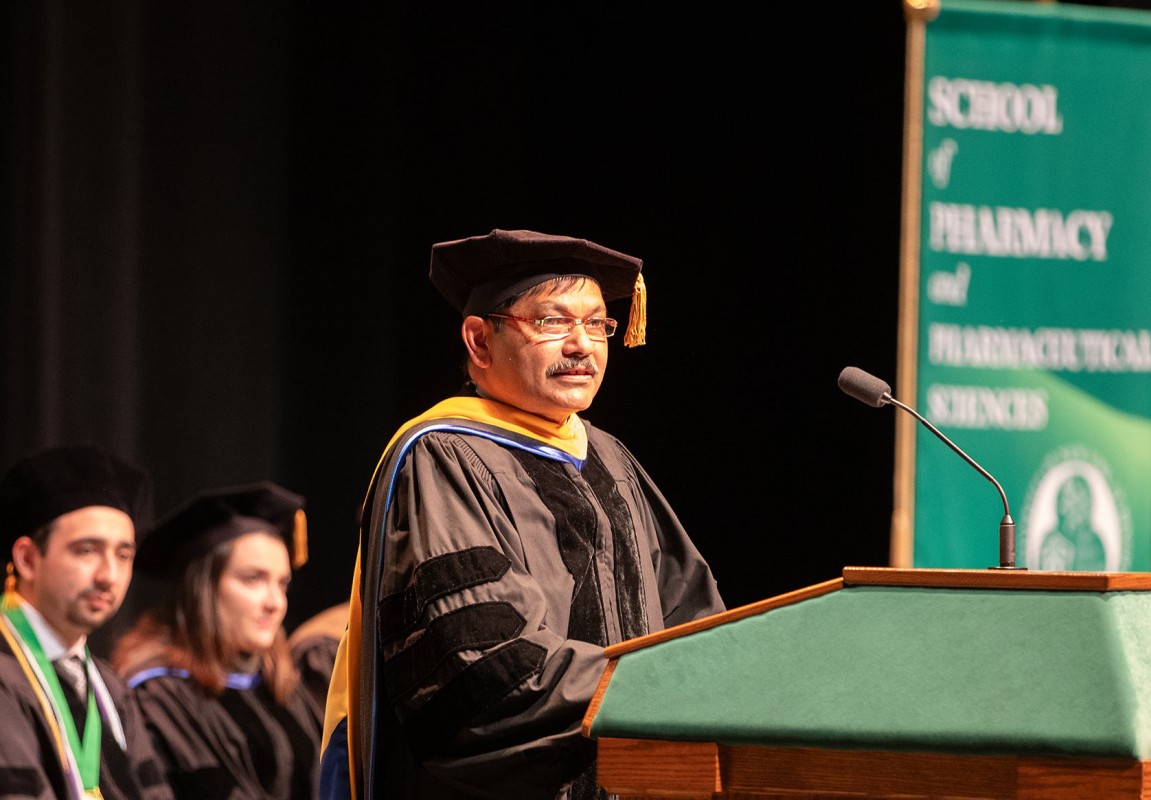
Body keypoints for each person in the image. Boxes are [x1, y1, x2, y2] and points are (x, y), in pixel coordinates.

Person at [320, 228, 726, 800]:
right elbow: (483, 665)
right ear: (480, 341)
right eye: (553, 322)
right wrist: (654, 686)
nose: (582, 344)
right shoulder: (444, 454)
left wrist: (730, 677)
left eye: (598, 324)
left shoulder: (610, 457)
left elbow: (691, 613)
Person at [110, 481, 328, 799]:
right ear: (203, 590)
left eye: (282, 584)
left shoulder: (284, 684)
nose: (275, 602)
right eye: (253, 579)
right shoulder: (159, 698)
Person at [0, 443, 174, 800]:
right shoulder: (5, 675)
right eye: (87, 550)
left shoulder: (110, 689)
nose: (108, 575)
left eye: (123, 555)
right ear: (28, 559)